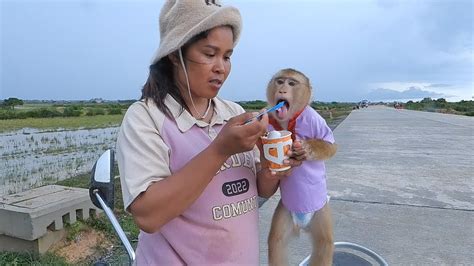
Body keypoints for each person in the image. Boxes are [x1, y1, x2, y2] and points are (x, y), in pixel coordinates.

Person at [115, 0, 304, 264]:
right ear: (174, 52)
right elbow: (148, 216)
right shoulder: (146, 118)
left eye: (227, 56)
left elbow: (260, 188)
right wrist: (220, 150)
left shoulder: (233, 112)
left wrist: (275, 164)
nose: (221, 67)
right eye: (209, 53)